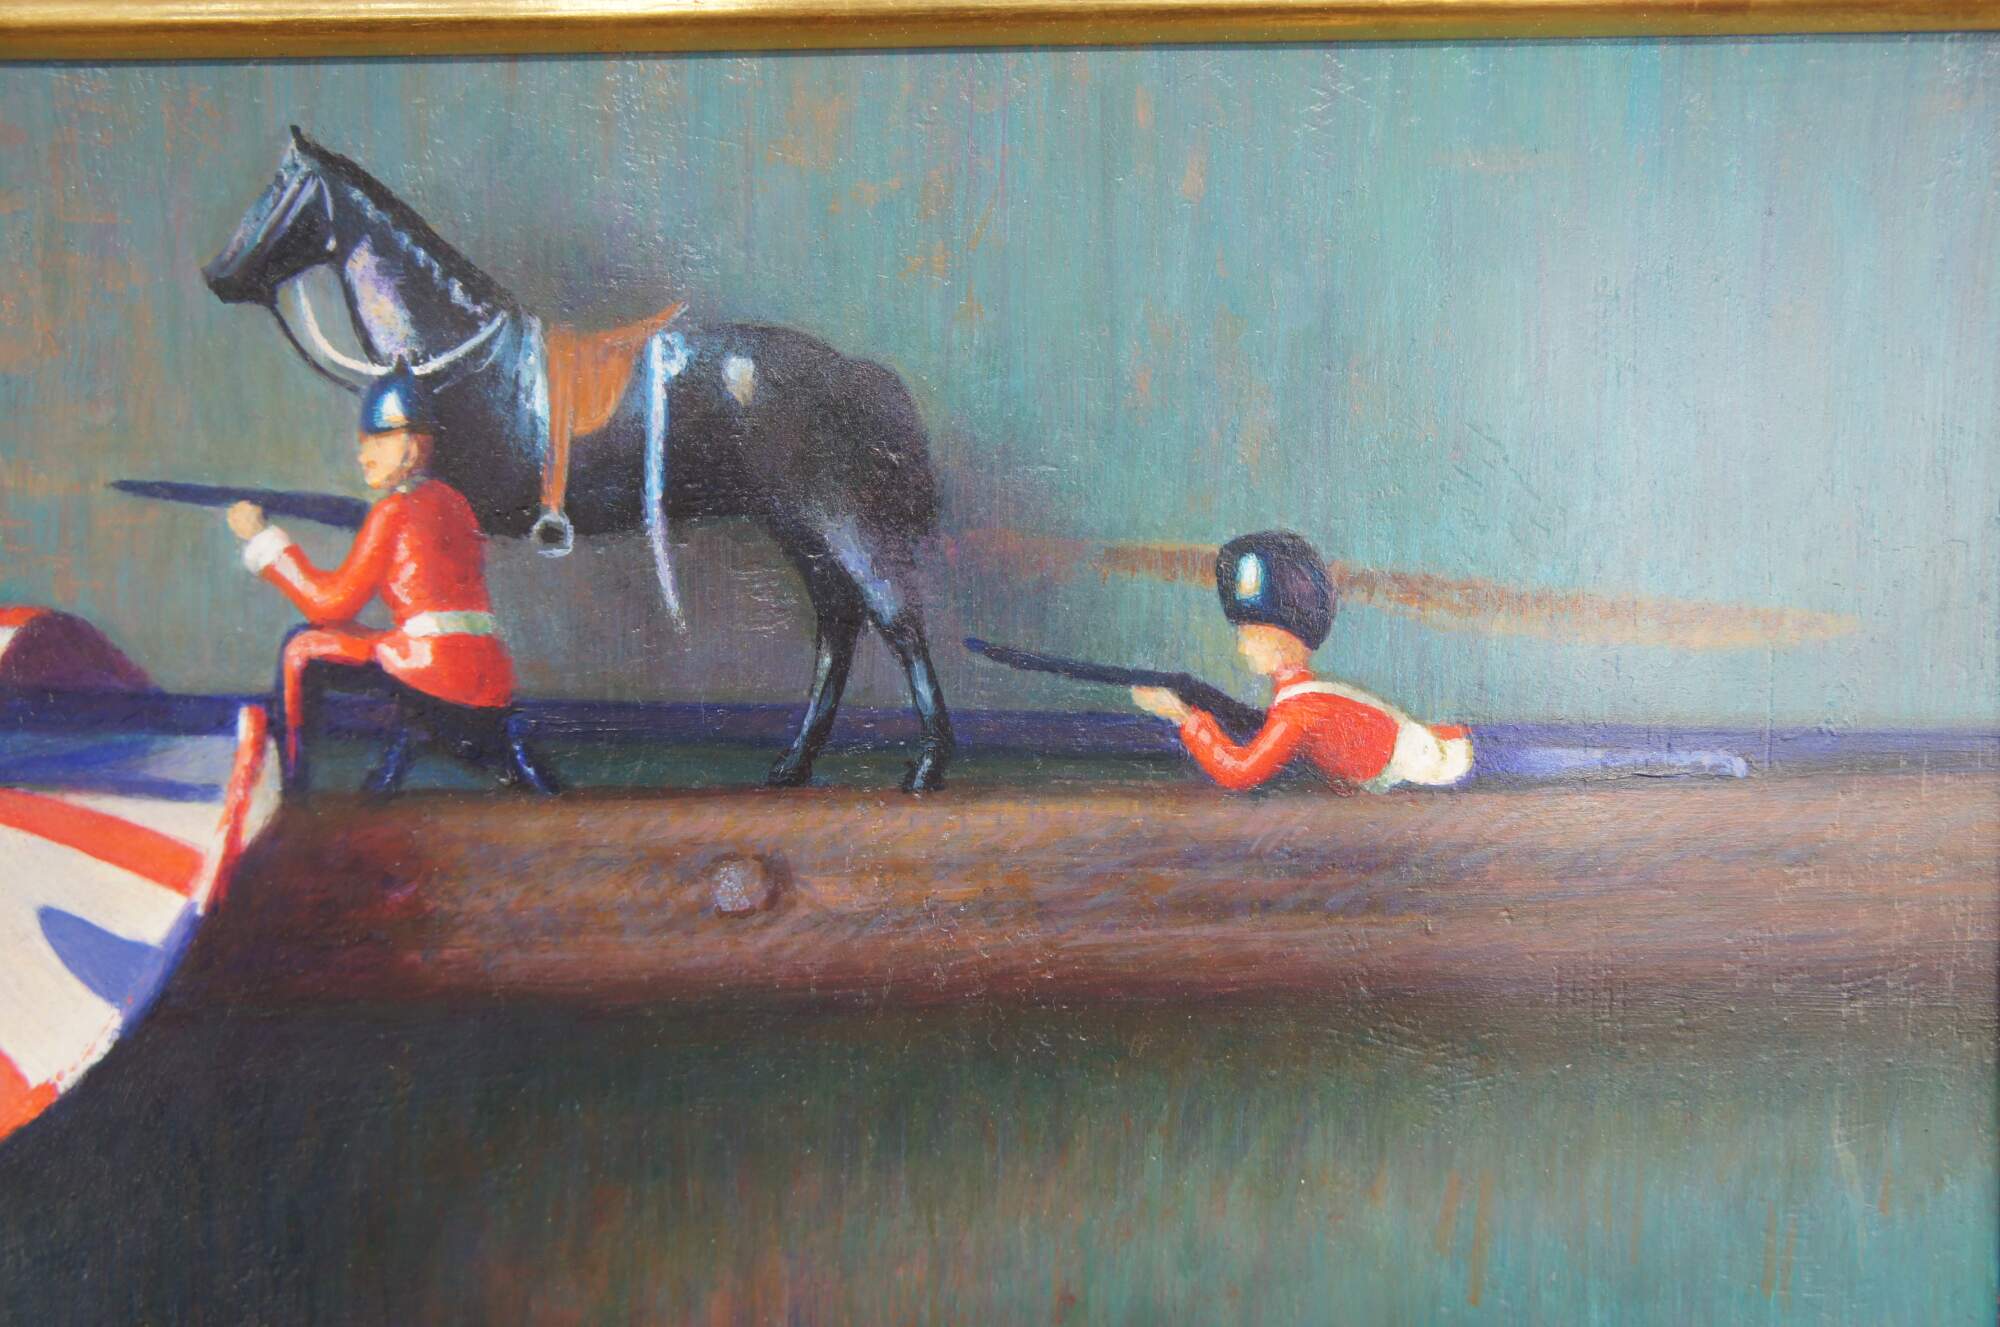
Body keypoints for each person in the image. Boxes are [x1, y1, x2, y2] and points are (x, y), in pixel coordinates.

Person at [226, 360, 560, 798]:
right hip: (488, 674)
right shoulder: (455, 504)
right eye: (364, 442)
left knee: (301, 647)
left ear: (412, 444)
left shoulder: (393, 511)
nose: (363, 454)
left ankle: (293, 788)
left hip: (431, 671)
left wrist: (265, 542)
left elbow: (330, 605)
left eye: (378, 441)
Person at [1131, 530, 1474, 793]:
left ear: (1283, 637)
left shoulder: (1300, 711)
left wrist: (1181, 715)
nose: (1242, 648)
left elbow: (1239, 772)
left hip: (1438, 767)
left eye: (1250, 634)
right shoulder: (1304, 699)